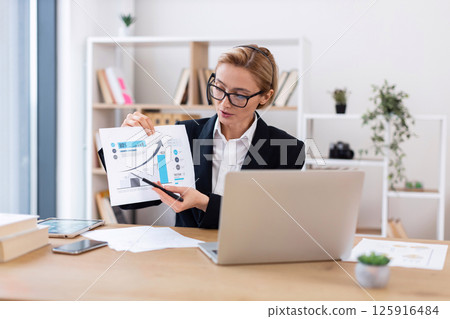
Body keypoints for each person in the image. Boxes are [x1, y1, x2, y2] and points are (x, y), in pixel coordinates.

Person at [118, 45, 305, 228]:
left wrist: (205, 202)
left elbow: (270, 220)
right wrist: (125, 142)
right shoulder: (185, 134)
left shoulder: (288, 149)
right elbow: (130, 202)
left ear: (265, 97)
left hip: (250, 253)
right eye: (219, 88)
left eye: (239, 96)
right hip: (187, 251)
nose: (224, 103)